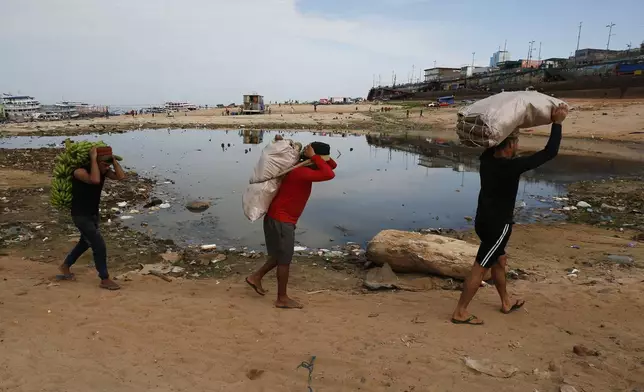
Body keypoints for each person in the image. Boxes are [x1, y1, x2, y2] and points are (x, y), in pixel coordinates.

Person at [451, 103, 568, 325]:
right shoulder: (511, 167)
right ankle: (460, 311)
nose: (518, 146)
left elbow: (491, 142)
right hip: (498, 226)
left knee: (499, 261)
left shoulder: (486, 160)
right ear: (510, 145)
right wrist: (558, 123)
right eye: (515, 142)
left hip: (482, 221)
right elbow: (549, 152)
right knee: (480, 267)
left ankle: (506, 301)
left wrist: (508, 127)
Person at [246, 140, 337, 309]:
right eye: (320, 160)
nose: (323, 163)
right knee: (284, 260)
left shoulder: (301, 168)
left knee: (278, 256)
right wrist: (316, 157)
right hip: (281, 220)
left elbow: (332, 167)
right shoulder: (301, 173)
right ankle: (282, 298)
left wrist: (315, 157)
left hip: (278, 219)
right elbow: (329, 174)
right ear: (311, 159)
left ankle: (255, 277)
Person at [58, 146, 126, 290]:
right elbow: (94, 180)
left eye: (108, 164)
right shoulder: (79, 171)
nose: (106, 167)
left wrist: (113, 162)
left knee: (85, 243)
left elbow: (121, 177)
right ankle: (104, 278)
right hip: (80, 215)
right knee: (99, 245)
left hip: (93, 214)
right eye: (104, 164)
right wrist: (94, 159)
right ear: (94, 161)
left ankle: (65, 266)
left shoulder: (104, 170)